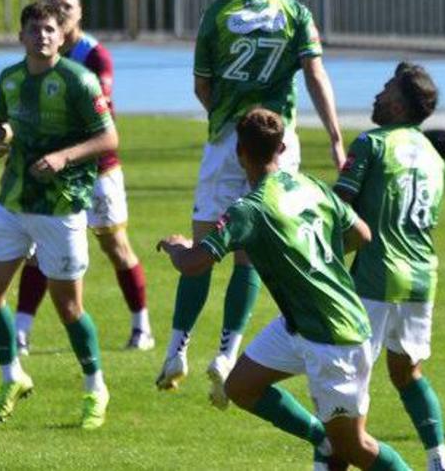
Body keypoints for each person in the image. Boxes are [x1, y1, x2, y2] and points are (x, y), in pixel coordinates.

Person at [158, 0, 346, 409]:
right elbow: (316, 75)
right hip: (278, 147)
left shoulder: (217, 16)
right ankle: (227, 352)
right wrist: (335, 135)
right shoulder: (295, 12)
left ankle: (176, 347)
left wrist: (223, 113)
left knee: (202, 245)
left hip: (227, 144)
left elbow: (202, 86)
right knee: (248, 253)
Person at [157, 108, 410, 470]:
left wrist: (175, 247)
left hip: (334, 337)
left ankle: (336, 446)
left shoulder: (248, 209)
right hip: (298, 325)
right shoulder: (311, 185)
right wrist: (321, 259)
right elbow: (361, 234)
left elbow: (194, 264)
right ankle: (321, 440)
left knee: (354, 447)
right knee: (241, 386)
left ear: (239, 153)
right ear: (284, 147)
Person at [0, 0, 152, 357]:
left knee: (115, 247)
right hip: (41, 179)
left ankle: (142, 325)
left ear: (80, 12)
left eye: (67, 7)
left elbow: (105, 124)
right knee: (36, 252)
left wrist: (65, 153)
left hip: (97, 170)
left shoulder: (91, 57)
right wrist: (4, 136)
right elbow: (9, 116)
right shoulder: (19, 71)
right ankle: (21, 332)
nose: (60, 13)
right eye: (54, 7)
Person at [0, 1, 118, 429]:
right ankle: (12, 375)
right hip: (14, 201)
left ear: (61, 36)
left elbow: (109, 137)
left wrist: (62, 157)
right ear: (21, 35)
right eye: (34, 29)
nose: (42, 36)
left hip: (61, 205)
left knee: (69, 306)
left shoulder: (79, 80)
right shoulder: (10, 78)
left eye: (50, 29)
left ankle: (96, 388)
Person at [335, 63, 445, 471]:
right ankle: (439, 461)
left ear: (399, 105)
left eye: (386, 89)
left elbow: (340, 211)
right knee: (407, 373)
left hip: (375, 277)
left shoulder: (372, 143)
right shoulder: (436, 159)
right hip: (421, 279)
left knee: (346, 386)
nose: (377, 95)